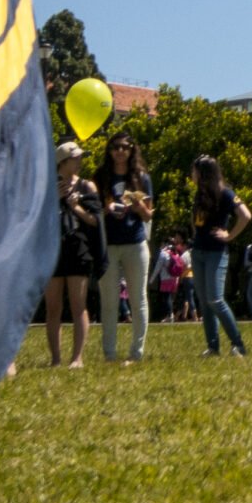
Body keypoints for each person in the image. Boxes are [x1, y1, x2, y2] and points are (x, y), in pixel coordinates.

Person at [96, 133, 155, 365]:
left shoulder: (141, 178)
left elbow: (149, 215)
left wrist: (139, 205)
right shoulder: (101, 177)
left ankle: (136, 353)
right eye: (115, 147)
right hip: (108, 244)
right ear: (109, 150)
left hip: (135, 243)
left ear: (132, 151)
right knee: (109, 301)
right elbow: (93, 212)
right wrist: (106, 208)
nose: (120, 151)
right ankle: (109, 354)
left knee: (138, 299)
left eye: (125, 147)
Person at [46, 141, 103, 368]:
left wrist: (75, 206)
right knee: (53, 307)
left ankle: (77, 358)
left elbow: (95, 220)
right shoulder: (47, 186)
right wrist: (54, 200)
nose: (80, 161)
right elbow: (36, 218)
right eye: (76, 157)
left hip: (78, 248)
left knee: (78, 306)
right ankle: (56, 359)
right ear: (63, 162)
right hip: (52, 249)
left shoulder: (87, 186)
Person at [186, 154, 250, 358]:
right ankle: (213, 347)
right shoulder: (200, 194)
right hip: (199, 251)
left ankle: (238, 344)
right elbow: (195, 219)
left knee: (215, 299)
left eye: (194, 170)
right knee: (204, 302)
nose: (192, 174)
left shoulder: (226, 193)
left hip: (216, 252)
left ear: (204, 173)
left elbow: (245, 215)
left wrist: (229, 235)